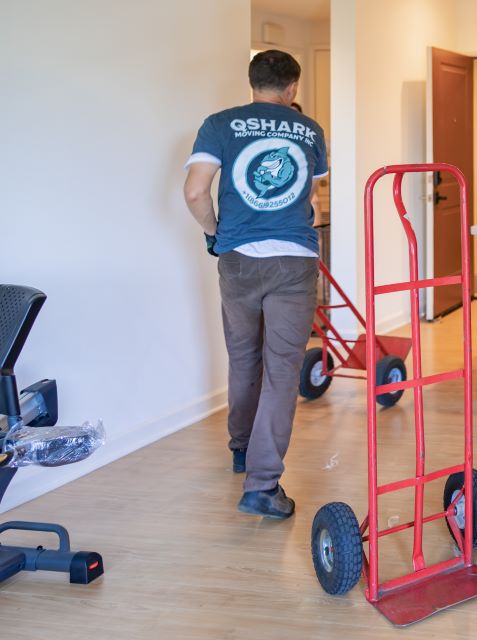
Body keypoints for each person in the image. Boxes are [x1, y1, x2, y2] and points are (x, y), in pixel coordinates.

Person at [182, 50, 327, 520]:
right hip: (293, 258)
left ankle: (242, 450)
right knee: (282, 369)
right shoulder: (310, 131)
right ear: (293, 89)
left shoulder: (219, 124)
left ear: (252, 83)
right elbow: (309, 194)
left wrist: (214, 234)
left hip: (238, 256)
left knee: (243, 357)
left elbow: (195, 190)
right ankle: (262, 485)